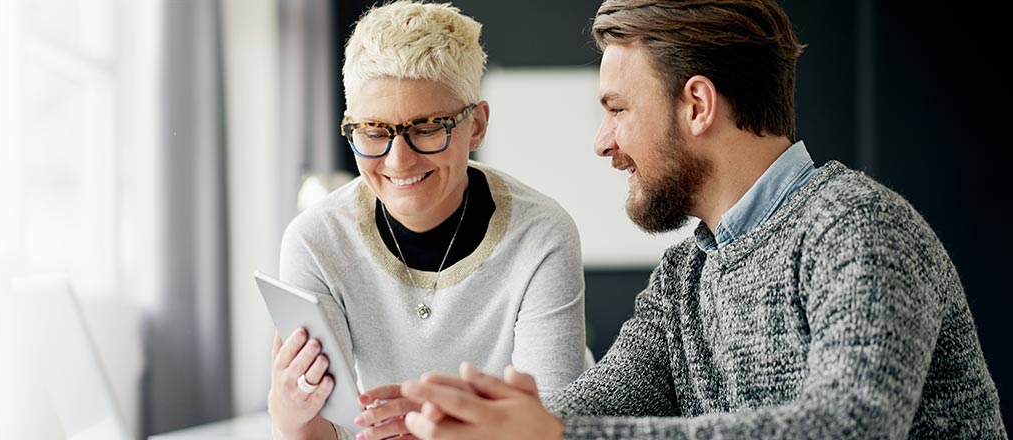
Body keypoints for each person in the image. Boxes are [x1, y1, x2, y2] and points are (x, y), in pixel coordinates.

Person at [377, 0, 1009, 438]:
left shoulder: (858, 228)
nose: (602, 140)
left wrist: (555, 433)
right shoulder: (686, 275)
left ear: (698, 104)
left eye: (617, 108)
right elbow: (599, 404)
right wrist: (471, 421)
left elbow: (850, 426)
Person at [267, 2, 593, 439]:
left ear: (476, 125)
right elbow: (326, 431)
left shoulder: (543, 235)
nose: (398, 160)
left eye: (426, 128)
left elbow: (550, 428)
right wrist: (290, 412)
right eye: (374, 131)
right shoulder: (314, 241)